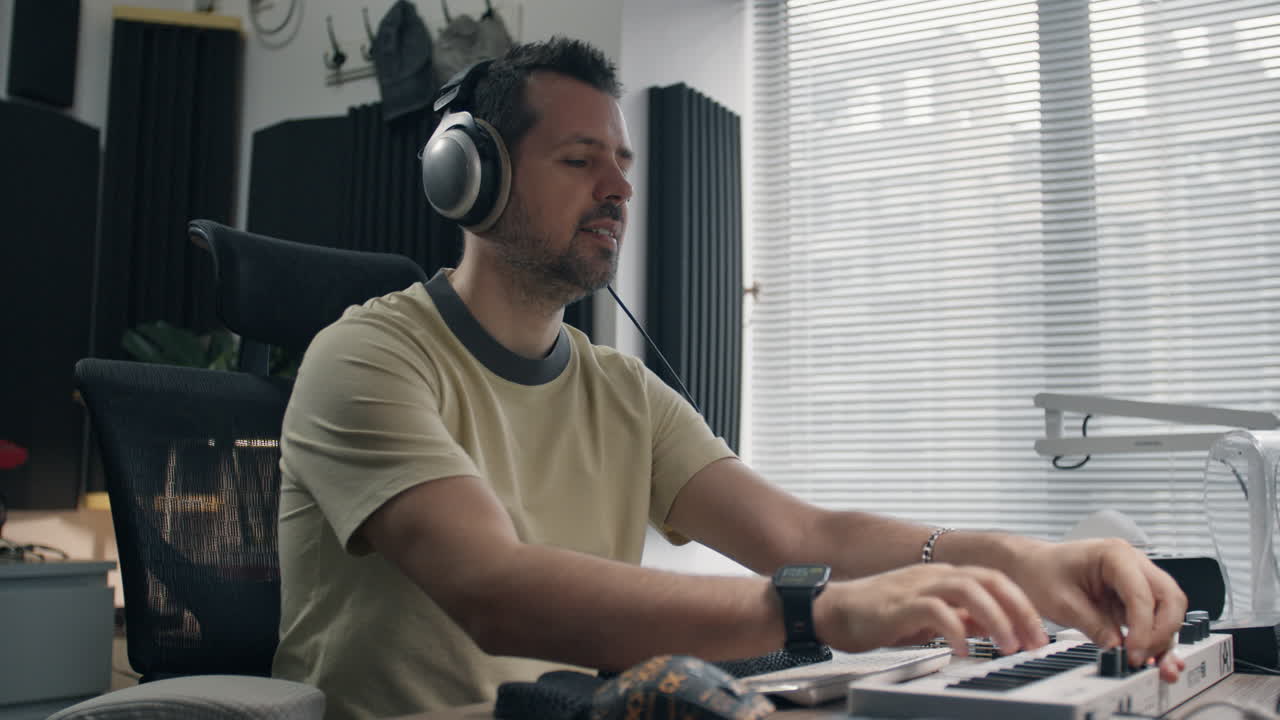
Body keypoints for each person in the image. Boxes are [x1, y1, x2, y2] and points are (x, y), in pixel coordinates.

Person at [271, 36, 1188, 720]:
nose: (620, 189)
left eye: (623, 165)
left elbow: (801, 534)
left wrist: (1026, 560)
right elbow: (493, 588)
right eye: (581, 161)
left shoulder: (622, 393)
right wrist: (820, 611)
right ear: (469, 178)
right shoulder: (367, 357)